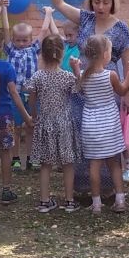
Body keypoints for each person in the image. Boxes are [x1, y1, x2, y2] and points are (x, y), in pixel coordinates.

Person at [46, 0, 129, 181]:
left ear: (113, 3)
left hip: (108, 89)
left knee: (107, 136)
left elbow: (128, 63)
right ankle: (83, 184)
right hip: (82, 85)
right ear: (91, 2)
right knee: (81, 132)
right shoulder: (86, 19)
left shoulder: (122, 29)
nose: (100, 6)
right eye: (97, 2)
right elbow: (59, 3)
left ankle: (108, 184)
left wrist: (127, 94)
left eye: (105, 2)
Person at [0, 0, 53, 171]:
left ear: (30, 39)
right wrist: (4, 9)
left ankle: (30, 157)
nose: (21, 44)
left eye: (24, 40)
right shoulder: (10, 49)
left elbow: (44, 30)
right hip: (13, 94)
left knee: (31, 127)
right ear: (13, 40)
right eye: (18, 40)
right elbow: (6, 29)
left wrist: (48, 14)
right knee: (14, 127)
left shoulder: (34, 48)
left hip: (31, 93)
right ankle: (15, 158)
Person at [75, 34, 129, 215]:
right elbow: (123, 90)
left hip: (90, 125)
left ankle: (96, 203)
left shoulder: (83, 76)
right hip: (109, 124)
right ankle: (120, 200)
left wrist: (75, 69)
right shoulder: (110, 75)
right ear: (105, 55)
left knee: (94, 165)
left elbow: (79, 89)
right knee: (114, 164)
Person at [0, 21, 32, 207]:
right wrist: (26, 116)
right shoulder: (6, 67)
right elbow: (14, 94)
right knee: (6, 153)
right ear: (1, 45)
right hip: (5, 115)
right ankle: (6, 189)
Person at [27, 34, 80, 213]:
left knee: (46, 164)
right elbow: (78, 91)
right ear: (62, 53)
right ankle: (69, 201)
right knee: (68, 163)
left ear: (42, 54)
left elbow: (32, 98)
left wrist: (34, 114)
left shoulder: (37, 76)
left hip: (45, 123)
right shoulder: (67, 76)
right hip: (65, 124)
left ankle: (44, 201)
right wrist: (77, 71)